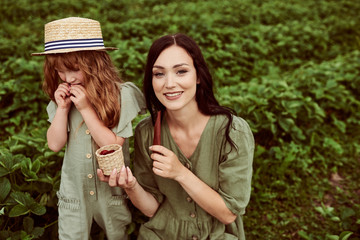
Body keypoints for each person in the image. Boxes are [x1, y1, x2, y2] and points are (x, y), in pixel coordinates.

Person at [98, 33, 254, 240]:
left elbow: (228, 214)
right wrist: (131, 186)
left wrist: (180, 172)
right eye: (159, 74)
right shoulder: (147, 132)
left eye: (181, 71)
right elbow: (152, 209)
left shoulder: (232, 131)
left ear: (198, 76)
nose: (169, 83)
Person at [32, 17, 146, 240]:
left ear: (96, 63)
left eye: (74, 69)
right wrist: (63, 109)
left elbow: (112, 145)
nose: (68, 78)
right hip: (74, 193)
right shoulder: (62, 99)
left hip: (112, 192)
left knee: (119, 235)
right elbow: (54, 145)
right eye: (59, 71)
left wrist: (85, 108)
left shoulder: (121, 95)